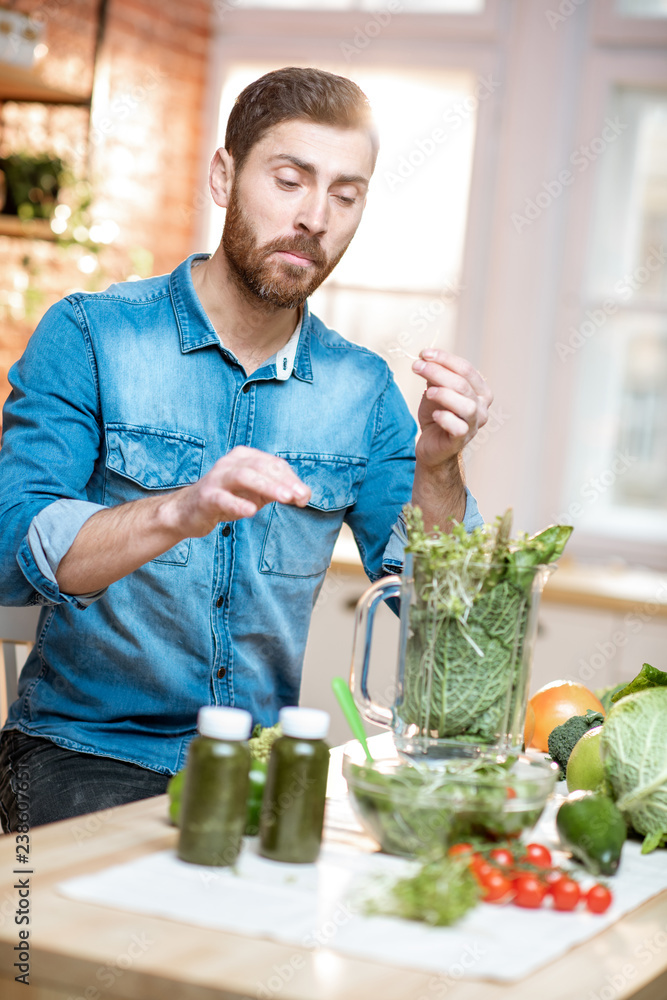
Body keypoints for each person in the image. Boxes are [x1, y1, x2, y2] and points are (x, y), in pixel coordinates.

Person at [0, 67, 492, 832]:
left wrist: (439, 468)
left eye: (344, 193)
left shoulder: (361, 389)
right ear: (224, 175)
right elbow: (8, 559)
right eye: (290, 180)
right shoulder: (92, 335)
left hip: (261, 767)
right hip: (84, 753)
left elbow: (448, 612)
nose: (314, 217)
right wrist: (178, 512)